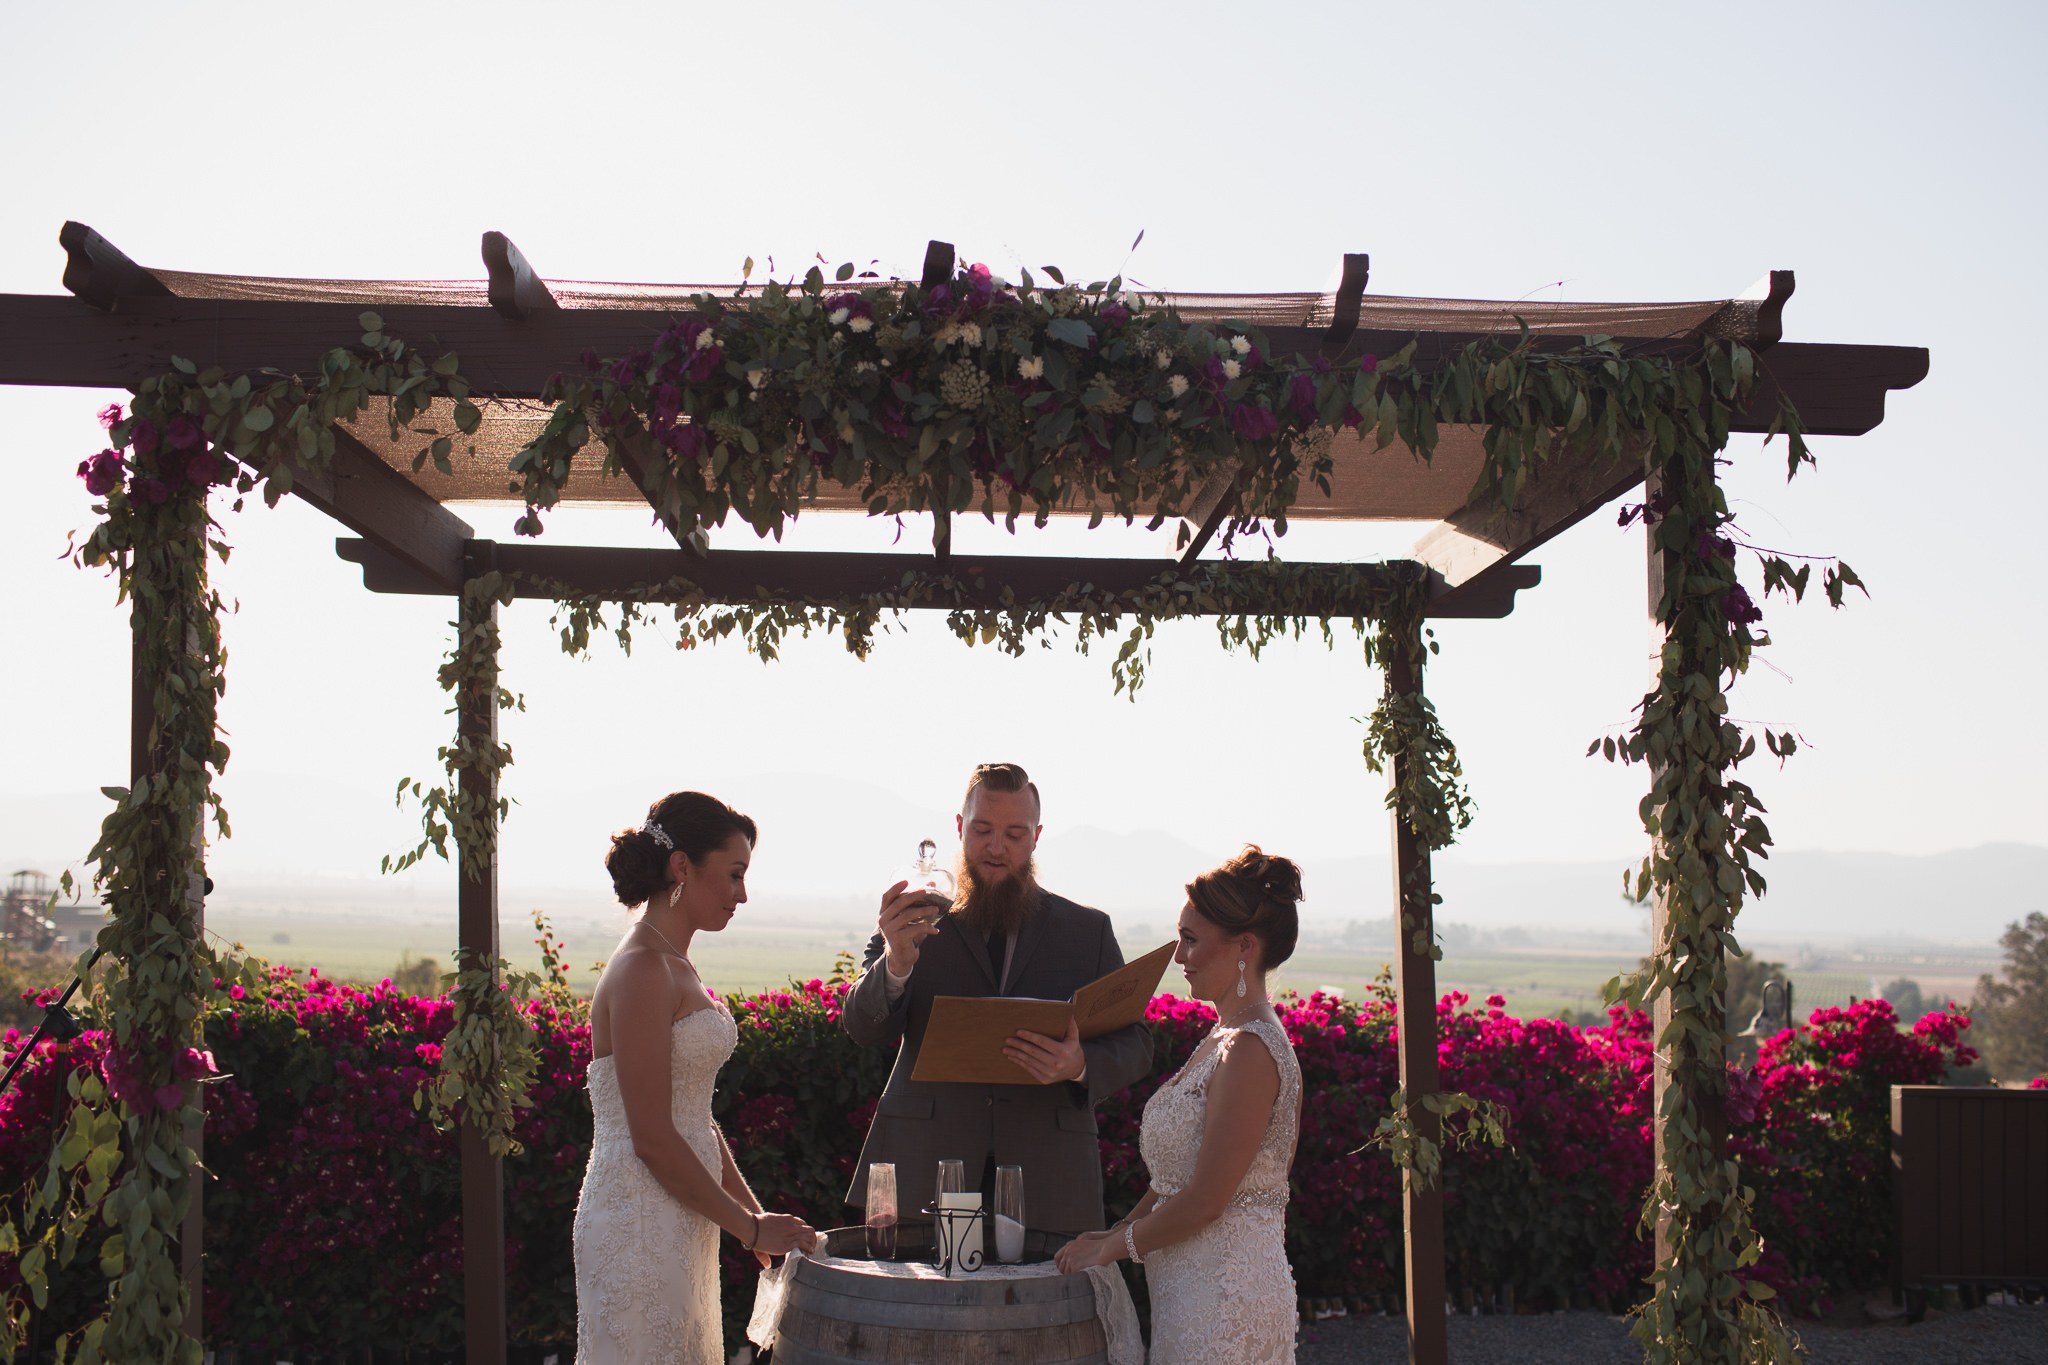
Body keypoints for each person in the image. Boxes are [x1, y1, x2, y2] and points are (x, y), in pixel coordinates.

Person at [841, 762, 1154, 1245]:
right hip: (925, 1165)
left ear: (1036, 836)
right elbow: (863, 1027)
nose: (996, 846)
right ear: (961, 828)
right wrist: (897, 961)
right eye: (983, 830)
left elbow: (1136, 1042)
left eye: (1014, 833)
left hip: (1049, 1177)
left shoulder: (1087, 932)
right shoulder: (912, 918)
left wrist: (1079, 1064)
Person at [573, 791, 818, 1365]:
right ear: (683, 866)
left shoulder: (675, 962)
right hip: (637, 1218)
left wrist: (754, 1220)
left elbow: (694, 1118)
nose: (742, 893)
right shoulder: (641, 968)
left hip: (682, 1216)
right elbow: (654, 1138)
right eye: (734, 875)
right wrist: (750, 1231)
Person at [1057, 846, 1305, 1364]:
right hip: (1189, 1296)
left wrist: (1108, 1250)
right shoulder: (1222, 1038)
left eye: (1191, 940)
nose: (1177, 956)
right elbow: (1173, 1184)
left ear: (1243, 946)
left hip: (1227, 1305)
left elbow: (1205, 1201)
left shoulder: (1251, 1050)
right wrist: (1117, 1229)